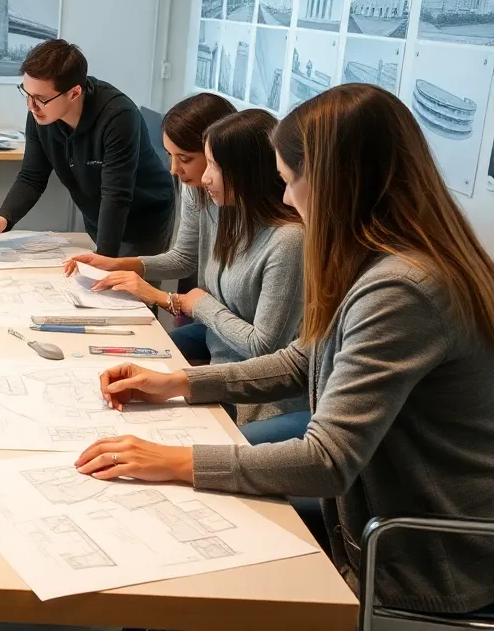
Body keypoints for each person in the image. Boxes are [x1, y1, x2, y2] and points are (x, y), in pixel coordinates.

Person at [74, 84, 494, 615]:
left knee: (193, 556)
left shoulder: (401, 289)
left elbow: (326, 459)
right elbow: (302, 359)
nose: (288, 199)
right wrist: (178, 382)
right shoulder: (377, 261)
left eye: (291, 181)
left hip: (419, 557)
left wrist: (173, 460)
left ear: (339, 183)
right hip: (366, 518)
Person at [66, 102, 309, 445]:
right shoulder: (232, 212)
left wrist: (186, 303)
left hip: (260, 392)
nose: (199, 177)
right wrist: (122, 264)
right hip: (223, 354)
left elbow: (263, 348)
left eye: (211, 164)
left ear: (245, 171)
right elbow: (189, 264)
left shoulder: (286, 240)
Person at [0, 39, 175, 257]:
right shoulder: (41, 114)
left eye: (40, 99)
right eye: (27, 93)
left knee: (121, 277)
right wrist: (4, 217)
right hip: (101, 218)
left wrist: (103, 258)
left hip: (143, 218)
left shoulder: (118, 116)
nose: (30, 106)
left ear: (74, 93)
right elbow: (32, 177)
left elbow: (116, 195)